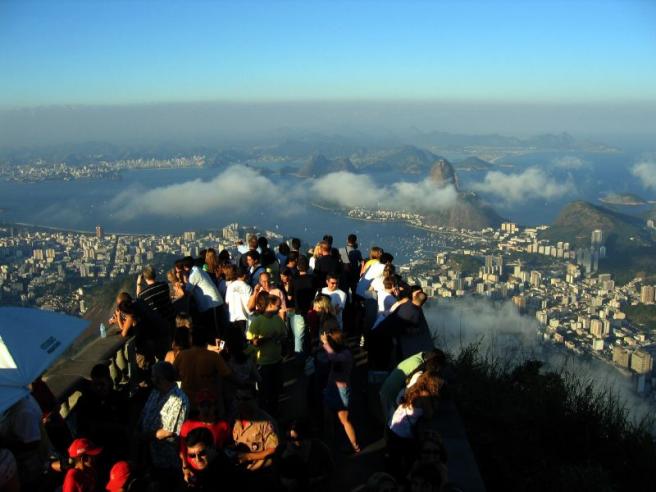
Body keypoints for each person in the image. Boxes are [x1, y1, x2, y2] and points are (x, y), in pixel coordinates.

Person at [138, 362, 189, 482]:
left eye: (153, 376)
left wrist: (143, 436)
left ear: (161, 379)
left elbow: (168, 431)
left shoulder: (179, 399)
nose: (151, 379)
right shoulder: (155, 392)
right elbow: (144, 413)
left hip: (166, 460)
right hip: (149, 454)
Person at [387, 372, 442, 479]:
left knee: (394, 461)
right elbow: (429, 415)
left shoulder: (414, 388)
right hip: (402, 433)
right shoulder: (424, 394)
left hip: (392, 427)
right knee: (408, 460)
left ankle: (393, 478)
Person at [74, 364, 128, 461]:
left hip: (117, 446)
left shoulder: (118, 398)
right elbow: (81, 428)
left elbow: (126, 423)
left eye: (102, 384)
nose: (99, 388)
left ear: (109, 382)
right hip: (94, 450)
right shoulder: (85, 402)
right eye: (96, 385)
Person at [246, 294, 287, 416]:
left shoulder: (278, 319)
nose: (279, 309)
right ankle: (264, 415)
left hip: (277, 361)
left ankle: (275, 413)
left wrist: (280, 338)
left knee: (276, 391)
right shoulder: (257, 321)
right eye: (277, 306)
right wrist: (266, 339)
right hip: (263, 363)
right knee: (264, 392)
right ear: (270, 305)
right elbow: (251, 342)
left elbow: (284, 335)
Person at [321, 327, 360, 454]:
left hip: (341, 391)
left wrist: (326, 343)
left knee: (344, 420)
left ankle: (355, 446)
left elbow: (333, 357)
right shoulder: (339, 351)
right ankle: (330, 442)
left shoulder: (346, 354)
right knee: (328, 416)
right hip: (332, 388)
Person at [173, 329, 232, 412]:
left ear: (191, 340)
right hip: (207, 404)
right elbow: (227, 375)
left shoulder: (182, 355)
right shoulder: (214, 356)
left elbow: (172, 375)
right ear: (206, 341)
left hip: (186, 402)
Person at [379, 349, 446, 422]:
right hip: (390, 393)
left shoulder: (420, 355)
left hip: (389, 388)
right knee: (390, 422)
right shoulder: (418, 367)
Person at [0, 394, 46, 488]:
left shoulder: (23, 411)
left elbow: (32, 443)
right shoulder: (14, 403)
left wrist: (5, 442)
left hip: (29, 469)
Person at [279, 420, 334, 491]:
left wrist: (313, 481)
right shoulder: (283, 450)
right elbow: (278, 476)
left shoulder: (319, 448)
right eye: (291, 439)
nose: (295, 443)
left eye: (299, 439)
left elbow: (330, 472)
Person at [231, 394, 279, 473]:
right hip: (241, 470)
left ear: (255, 400)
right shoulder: (234, 418)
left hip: (261, 471)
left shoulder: (265, 421)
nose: (241, 402)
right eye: (238, 398)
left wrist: (248, 457)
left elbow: (273, 449)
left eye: (245, 398)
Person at [224, 265, 252, 335]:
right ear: (245, 275)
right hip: (244, 319)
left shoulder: (230, 286)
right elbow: (250, 304)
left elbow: (227, 302)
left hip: (232, 319)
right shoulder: (247, 287)